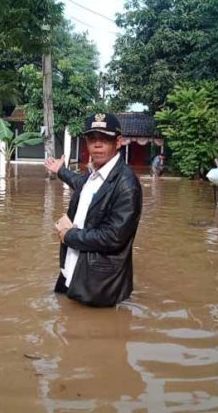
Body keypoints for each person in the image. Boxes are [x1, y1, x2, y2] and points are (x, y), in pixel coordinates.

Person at [44, 112, 143, 307]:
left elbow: (112, 237)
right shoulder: (93, 176)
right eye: (92, 139)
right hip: (72, 270)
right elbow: (79, 182)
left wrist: (68, 236)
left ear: (119, 142)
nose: (97, 145)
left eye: (104, 139)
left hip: (98, 284)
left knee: (93, 333)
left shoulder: (126, 185)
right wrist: (60, 171)